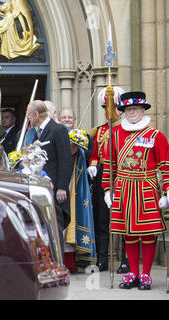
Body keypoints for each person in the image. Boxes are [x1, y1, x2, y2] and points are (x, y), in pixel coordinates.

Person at [102, 91, 169, 290]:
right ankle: (132, 273)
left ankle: (146, 275)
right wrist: (107, 189)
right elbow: (109, 166)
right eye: (127, 109)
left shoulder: (155, 135)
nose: (131, 112)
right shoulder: (114, 136)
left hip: (146, 188)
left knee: (148, 234)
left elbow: (165, 165)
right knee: (128, 234)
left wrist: (167, 191)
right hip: (123, 189)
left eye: (135, 109)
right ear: (123, 112)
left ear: (142, 110)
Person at [87, 86, 128, 272]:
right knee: (102, 219)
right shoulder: (100, 131)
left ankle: (126, 259)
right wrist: (93, 165)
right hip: (103, 173)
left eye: (113, 107)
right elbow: (95, 153)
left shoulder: (126, 129)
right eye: (105, 108)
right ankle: (102, 258)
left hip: (121, 173)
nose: (109, 111)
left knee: (124, 219)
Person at [26, 100, 73, 249]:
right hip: (40, 189)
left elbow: (66, 160)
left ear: (36, 114)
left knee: (55, 229)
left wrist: (62, 187)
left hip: (55, 189)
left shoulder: (58, 130)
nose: (28, 118)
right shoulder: (37, 133)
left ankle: (59, 265)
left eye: (28, 115)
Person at [63, 129, 97, 272]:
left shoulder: (80, 156)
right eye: (63, 118)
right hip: (61, 189)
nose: (72, 147)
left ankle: (71, 263)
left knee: (72, 225)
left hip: (74, 192)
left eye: (75, 145)